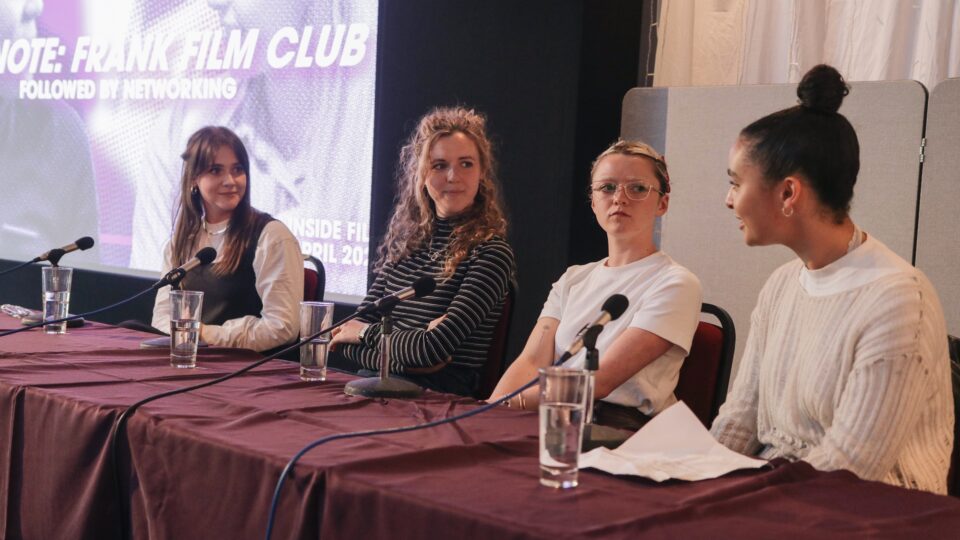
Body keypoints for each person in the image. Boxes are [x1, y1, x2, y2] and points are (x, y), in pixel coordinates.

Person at [710, 64, 953, 494]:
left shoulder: (898, 300)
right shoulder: (782, 285)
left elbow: (852, 469)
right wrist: (695, 483)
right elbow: (738, 420)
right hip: (781, 496)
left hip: (875, 513)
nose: (729, 200)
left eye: (735, 184)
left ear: (788, 193)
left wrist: (741, 498)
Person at [489, 140, 702, 430]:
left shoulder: (676, 283)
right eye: (607, 187)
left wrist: (510, 404)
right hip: (551, 416)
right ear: (593, 201)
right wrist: (489, 411)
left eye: (637, 188)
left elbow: (596, 383)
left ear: (662, 203)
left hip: (619, 428)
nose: (620, 198)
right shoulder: (573, 278)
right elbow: (531, 361)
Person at [330, 106, 516, 397]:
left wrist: (366, 336)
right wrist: (413, 353)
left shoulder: (491, 254)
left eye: (466, 164)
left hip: (437, 398)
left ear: (482, 174)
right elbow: (343, 340)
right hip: (373, 388)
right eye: (439, 165)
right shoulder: (408, 244)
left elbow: (432, 349)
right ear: (421, 174)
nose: (453, 176)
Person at [150, 126, 303, 351]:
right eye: (215, 171)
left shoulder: (272, 236)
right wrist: (193, 336)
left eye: (237, 169)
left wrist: (204, 334)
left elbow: (282, 327)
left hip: (245, 372)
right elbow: (162, 318)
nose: (230, 180)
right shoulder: (181, 242)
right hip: (190, 361)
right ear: (194, 179)